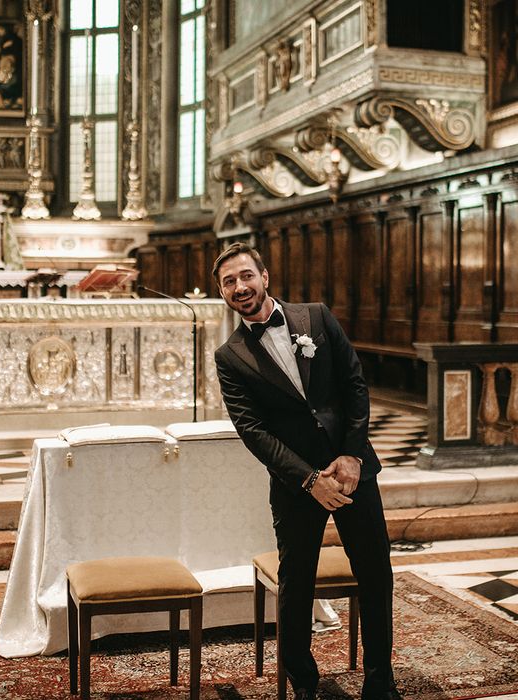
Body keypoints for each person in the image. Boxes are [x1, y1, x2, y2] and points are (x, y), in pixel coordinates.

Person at [212, 242, 398, 700]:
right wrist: (310, 479)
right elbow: (252, 430)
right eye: (229, 282)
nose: (240, 287)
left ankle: (380, 682)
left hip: (353, 471)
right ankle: (305, 687)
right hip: (297, 485)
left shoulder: (315, 316)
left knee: (376, 573)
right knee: (297, 585)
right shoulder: (230, 355)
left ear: (265, 276)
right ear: (222, 292)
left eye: (245, 276)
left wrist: (352, 455)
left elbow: (354, 383)